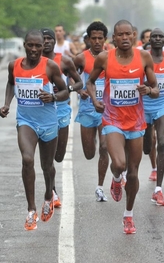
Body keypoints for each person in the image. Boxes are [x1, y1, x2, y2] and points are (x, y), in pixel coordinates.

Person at [86, 19, 159, 234]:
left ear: (134, 35)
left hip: (136, 122)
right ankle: (116, 178)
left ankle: (128, 215)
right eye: (120, 35)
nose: (125, 38)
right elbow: (90, 82)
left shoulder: (143, 57)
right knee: (119, 163)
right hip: (112, 120)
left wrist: (148, 89)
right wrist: (94, 100)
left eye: (128, 34)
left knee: (134, 173)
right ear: (114, 38)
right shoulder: (104, 58)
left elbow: (155, 88)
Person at [0, 29, 69, 231]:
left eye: (38, 45)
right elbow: (11, 84)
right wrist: (6, 104)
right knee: (27, 159)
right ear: (24, 44)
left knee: (48, 167)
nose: (35, 49)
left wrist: (53, 97)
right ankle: (31, 210)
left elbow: (64, 91)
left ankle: (49, 194)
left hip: (48, 122)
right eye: (31, 45)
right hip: (26, 121)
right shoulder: (15, 65)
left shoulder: (51, 67)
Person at [40, 28, 83, 207]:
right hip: (42, 113)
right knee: (48, 160)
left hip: (61, 110)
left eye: (49, 38)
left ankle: (52, 190)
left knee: (59, 156)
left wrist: (68, 90)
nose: (47, 41)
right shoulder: (34, 63)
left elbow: (79, 81)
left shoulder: (64, 61)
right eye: (43, 39)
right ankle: (52, 191)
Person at [73, 21, 110, 202]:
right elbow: (68, 81)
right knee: (89, 154)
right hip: (87, 110)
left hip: (107, 111)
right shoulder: (80, 58)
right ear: (88, 39)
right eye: (93, 38)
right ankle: (94, 141)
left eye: (100, 38)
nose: (96, 41)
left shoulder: (112, 57)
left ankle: (100, 187)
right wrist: (79, 91)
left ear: (105, 39)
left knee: (105, 147)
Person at [143, 28, 164, 206]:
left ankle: (158, 189)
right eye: (154, 36)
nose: (157, 39)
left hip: (162, 106)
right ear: (149, 40)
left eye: (160, 36)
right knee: (147, 147)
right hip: (143, 106)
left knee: (162, 143)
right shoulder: (142, 57)